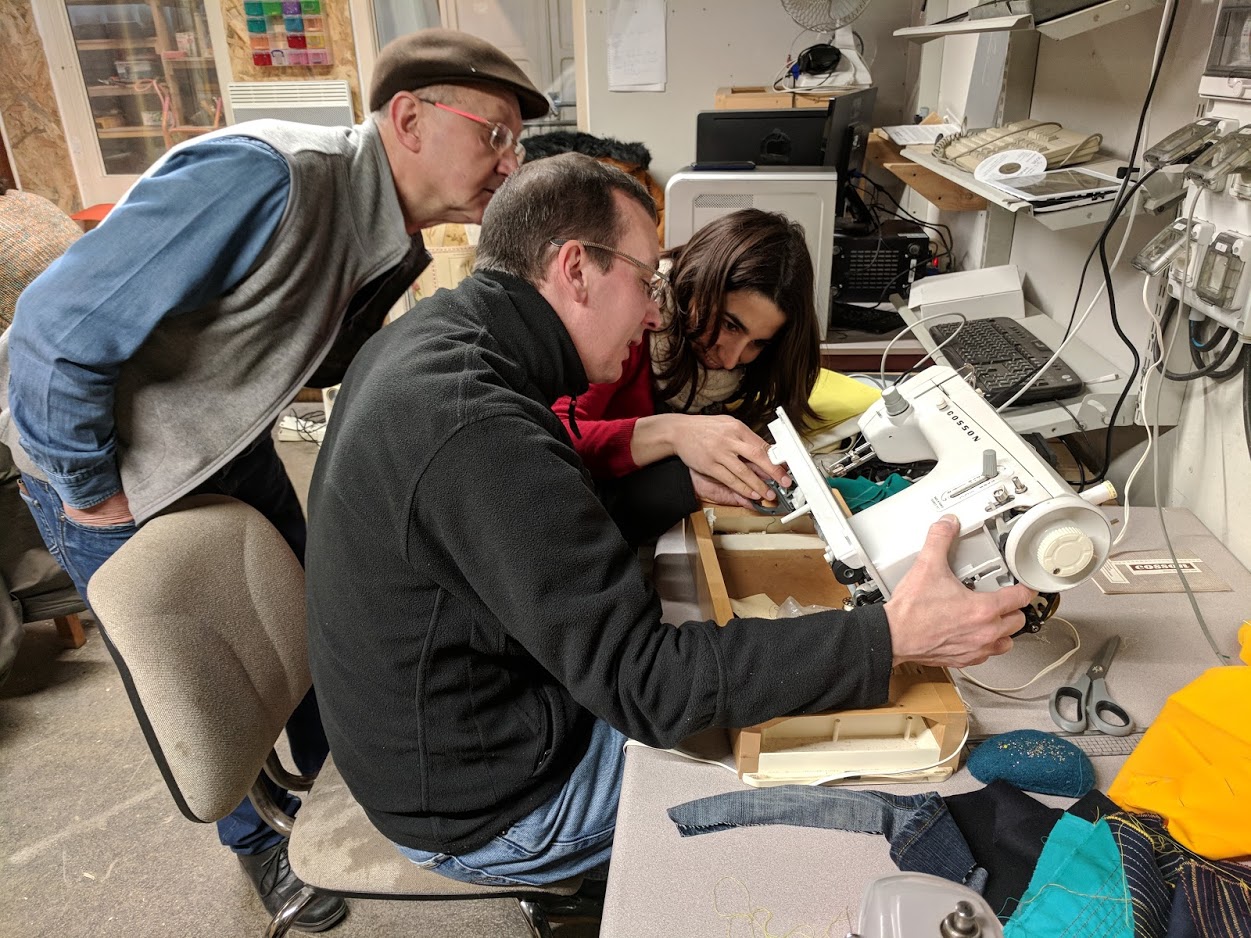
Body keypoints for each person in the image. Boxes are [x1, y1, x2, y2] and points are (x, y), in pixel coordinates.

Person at [304, 152, 1034, 889]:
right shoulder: (477, 423)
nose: (658, 310)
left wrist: (686, 485)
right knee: (868, 795)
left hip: (456, 736)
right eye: (645, 279)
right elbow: (646, 688)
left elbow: (544, 528)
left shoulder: (442, 342)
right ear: (575, 268)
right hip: (496, 807)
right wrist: (891, 636)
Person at [0, 29, 548, 930]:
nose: (509, 160)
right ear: (408, 118)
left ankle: (358, 798)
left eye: (516, 141)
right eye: (493, 132)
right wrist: (90, 491)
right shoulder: (269, 176)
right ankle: (260, 847)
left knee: (307, 626)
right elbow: (55, 330)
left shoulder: (387, 229)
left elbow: (309, 351)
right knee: (208, 686)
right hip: (107, 465)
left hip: (220, 440)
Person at [553, 208, 821, 511]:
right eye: (730, 325)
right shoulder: (630, 324)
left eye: (758, 342)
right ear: (695, 285)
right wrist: (674, 433)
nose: (732, 360)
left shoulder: (747, 367)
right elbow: (555, 437)